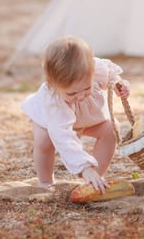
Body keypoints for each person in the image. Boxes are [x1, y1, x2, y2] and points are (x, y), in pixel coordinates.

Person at [21, 35, 130, 193]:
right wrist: (84, 167)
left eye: (87, 88)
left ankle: (94, 179)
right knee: (44, 141)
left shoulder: (93, 68)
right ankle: (45, 181)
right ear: (54, 84)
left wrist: (119, 84)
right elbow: (64, 138)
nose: (80, 96)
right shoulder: (53, 99)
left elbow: (111, 75)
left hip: (86, 117)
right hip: (49, 121)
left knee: (110, 129)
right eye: (72, 93)